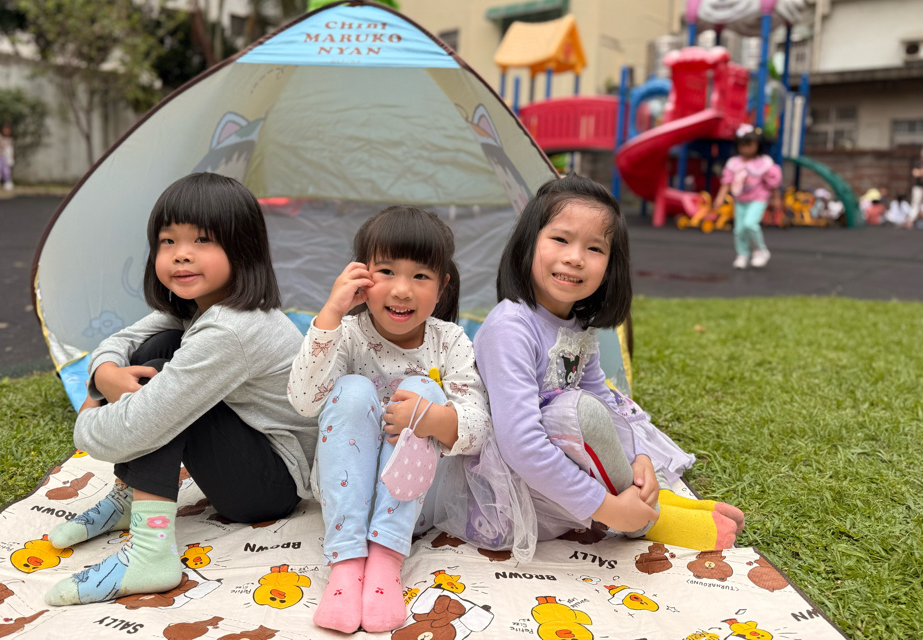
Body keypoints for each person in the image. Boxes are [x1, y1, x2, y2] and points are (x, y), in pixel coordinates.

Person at [44, 173, 317, 606]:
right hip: (251, 456)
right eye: (168, 241)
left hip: (272, 487)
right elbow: (121, 340)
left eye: (202, 240)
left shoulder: (231, 329)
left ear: (242, 249)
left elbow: (138, 426)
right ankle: (130, 500)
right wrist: (103, 374)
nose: (181, 254)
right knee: (158, 348)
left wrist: (89, 413)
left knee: (159, 379)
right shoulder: (199, 305)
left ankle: (150, 555)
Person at [468, 174, 744, 559]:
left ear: (611, 265)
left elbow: (604, 400)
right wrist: (609, 509)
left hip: (558, 475)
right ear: (528, 244)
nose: (575, 258)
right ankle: (647, 520)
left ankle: (649, 502)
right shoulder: (510, 328)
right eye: (560, 239)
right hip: (506, 495)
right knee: (577, 411)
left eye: (595, 248)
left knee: (601, 406)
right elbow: (521, 445)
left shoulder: (578, 326)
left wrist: (638, 457)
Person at [288, 206, 490, 634]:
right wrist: (331, 313)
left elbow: (478, 428)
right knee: (352, 390)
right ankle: (347, 563)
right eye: (386, 271)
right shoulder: (346, 333)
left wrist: (431, 417)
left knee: (424, 390)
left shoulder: (449, 340)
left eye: (420, 276)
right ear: (361, 276)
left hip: (417, 506)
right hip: (345, 504)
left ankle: (384, 561)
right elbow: (304, 402)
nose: (402, 290)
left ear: (442, 286)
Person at [713, 124, 782, 269]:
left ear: (757, 145)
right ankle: (742, 254)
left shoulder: (763, 162)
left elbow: (772, 183)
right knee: (739, 229)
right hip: (740, 200)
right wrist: (720, 197)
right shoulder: (734, 163)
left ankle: (760, 250)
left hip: (758, 198)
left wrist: (777, 198)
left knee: (750, 224)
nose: (745, 149)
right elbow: (726, 182)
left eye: (749, 145)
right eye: (742, 145)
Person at [909, 148, 923, 228]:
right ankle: (911, 220)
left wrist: (920, 172)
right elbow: (915, 173)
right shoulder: (918, 163)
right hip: (918, 187)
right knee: (915, 204)